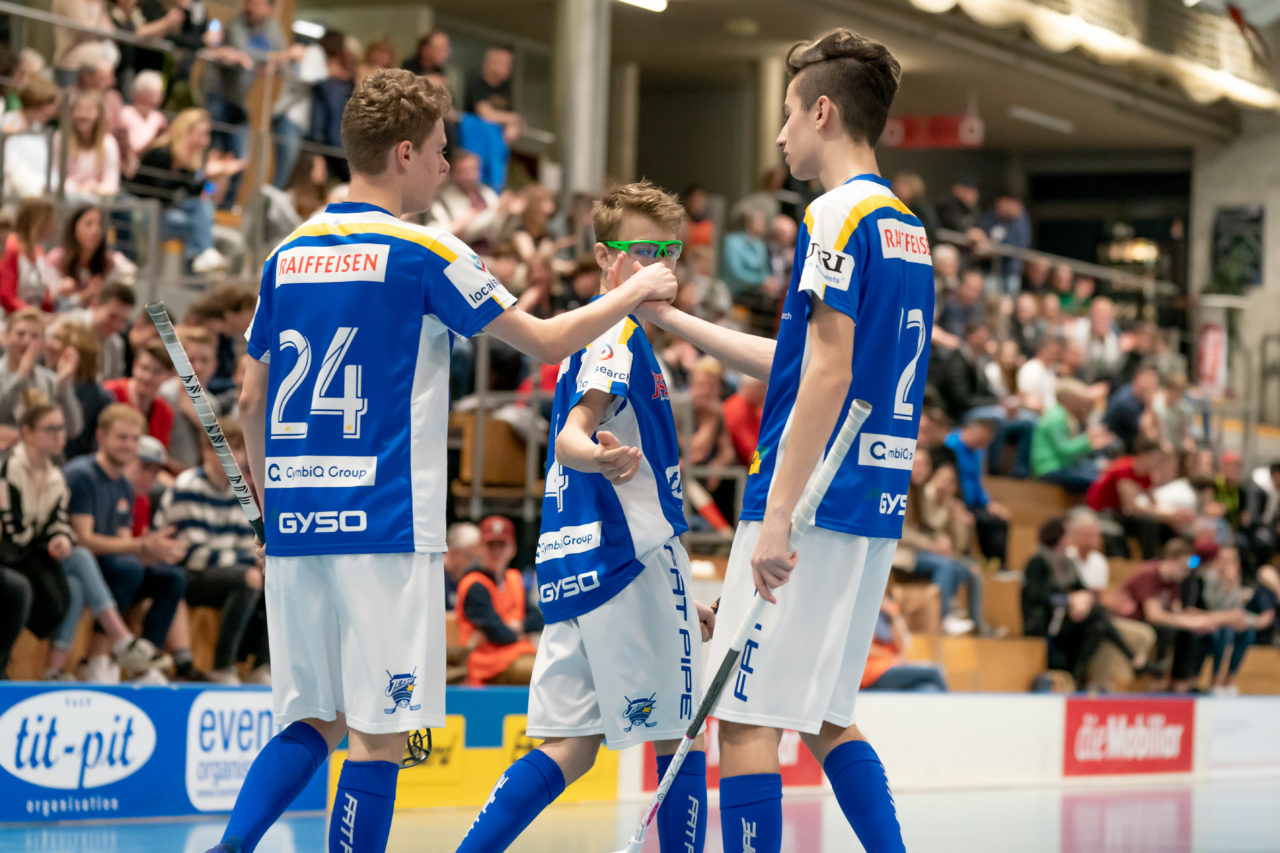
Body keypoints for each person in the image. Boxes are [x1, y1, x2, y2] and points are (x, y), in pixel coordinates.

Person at [209, 69, 677, 853]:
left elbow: (250, 401)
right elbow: (547, 341)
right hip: (385, 522)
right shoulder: (423, 248)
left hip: (294, 524)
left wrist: (267, 508)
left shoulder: (285, 255)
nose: (444, 164)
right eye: (437, 150)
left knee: (313, 718)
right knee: (378, 735)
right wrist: (638, 290)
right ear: (402, 153)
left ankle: (229, 847)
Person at [628, 31, 924, 853]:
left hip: (814, 498)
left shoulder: (833, 212)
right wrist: (675, 320)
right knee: (829, 716)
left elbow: (826, 375)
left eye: (789, 115)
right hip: (872, 500)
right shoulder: (906, 228)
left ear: (822, 111)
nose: (782, 135)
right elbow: (801, 360)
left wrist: (779, 514)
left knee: (746, 721)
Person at [458, 182, 714, 852]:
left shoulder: (588, 334)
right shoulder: (616, 333)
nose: (661, 265)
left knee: (572, 746)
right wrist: (599, 459)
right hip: (631, 560)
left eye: (670, 251)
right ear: (605, 256)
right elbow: (575, 431)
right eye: (643, 252)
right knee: (678, 734)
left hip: (576, 564)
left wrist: (679, 601)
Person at [1, 391, 162, 681]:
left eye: (62, 428)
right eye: (51, 429)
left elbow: (59, 522)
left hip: (37, 556)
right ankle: (121, 640)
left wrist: (59, 537)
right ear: (27, 432)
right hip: (14, 556)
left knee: (79, 580)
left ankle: (54, 670)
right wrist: (142, 545)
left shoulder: (55, 475)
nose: (59, 435)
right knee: (83, 557)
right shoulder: (11, 469)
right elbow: (18, 532)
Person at [65, 404, 187, 683]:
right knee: (128, 569)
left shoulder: (122, 484)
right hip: (81, 563)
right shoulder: (82, 474)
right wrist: (142, 547)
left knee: (171, 578)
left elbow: (123, 542)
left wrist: (155, 550)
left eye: (134, 439)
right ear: (101, 437)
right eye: (122, 437)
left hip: (110, 563)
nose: (129, 445)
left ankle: (144, 659)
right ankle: (94, 659)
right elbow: (84, 539)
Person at [156, 417, 269, 685]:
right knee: (250, 577)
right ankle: (222, 666)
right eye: (221, 448)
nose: (229, 457)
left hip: (226, 572)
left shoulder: (239, 492)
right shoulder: (187, 485)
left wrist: (246, 559)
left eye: (236, 450)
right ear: (206, 451)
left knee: (275, 579)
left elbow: (246, 542)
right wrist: (244, 560)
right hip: (186, 575)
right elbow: (192, 553)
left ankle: (262, 665)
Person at [1020, 518, 1148, 690]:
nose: (1070, 538)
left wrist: (1082, 602)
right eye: (1067, 535)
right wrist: (1068, 600)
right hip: (1044, 620)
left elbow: (1082, 590)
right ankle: (1129, 656)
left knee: (1098, 624)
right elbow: (1035, 595)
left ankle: (1077, 675)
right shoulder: (1038, 561)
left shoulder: (1068, 562)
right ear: (1058, 537)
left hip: (1066, 616)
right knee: (1098, 613)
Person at [126, 108, 243, 273]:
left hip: (170, 215)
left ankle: (204, 253)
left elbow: (206, 195)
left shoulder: (190, 166)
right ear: (185, 131)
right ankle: (204, 252)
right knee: (200, 227)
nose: (206, 141)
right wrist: (204, 176)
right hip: (145, 215)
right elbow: (158, 197)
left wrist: (216, 178)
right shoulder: (159, 154)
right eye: (202, 134)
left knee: (203, 207)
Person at [1106, 538, 1229, 692]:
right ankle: (1156, 679)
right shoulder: (1149, 573)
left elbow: (1177, 613)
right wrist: (1192, 622)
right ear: (1170, 560)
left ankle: (1181, 681)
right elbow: (1154, 615)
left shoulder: (1173, 580)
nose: (1185, 574)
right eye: (1183, 568)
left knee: (1189, 632)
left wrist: (1200, 622)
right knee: (1167, 630)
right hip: (1132, 620)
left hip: (1150, 621)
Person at [202, 0, 290, 209]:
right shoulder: (236, 23)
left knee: (240, 155)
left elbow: (282, 64)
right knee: (213, 151)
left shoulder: (272, 28)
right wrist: (275, 57)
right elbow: (245, 52)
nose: (250, 7)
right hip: (218, 96)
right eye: (249, 2)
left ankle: (228, 204)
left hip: (239, 101)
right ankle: (204, 200)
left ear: (269, 8)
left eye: (257, 4)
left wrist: (275, 61)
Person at [894, 452, 983, 635]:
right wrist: (932, 544)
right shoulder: (900, 488)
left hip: (919, 551)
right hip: (901, 553)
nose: (921, 468)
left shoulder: (920, 492)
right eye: (916, 464)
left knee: (964, 569)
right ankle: (944, 617)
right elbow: (901, 531)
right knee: (947, 566)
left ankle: (972, 622)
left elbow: (934, 530)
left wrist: (953, 523)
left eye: (925, 464)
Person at [454, 515, 542, 687]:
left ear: (513, 549)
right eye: (490, 545)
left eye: (501, 545)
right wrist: (520, 631)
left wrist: (509, 627)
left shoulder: (514, 578)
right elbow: (499, 633)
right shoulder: (474, 584)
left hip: (519, 654)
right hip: (486, 663)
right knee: (543, 672)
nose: (496, 552)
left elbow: (538, 620)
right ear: (479, 548)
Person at [1086, 438, 1189, 558]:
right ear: (1145, 455)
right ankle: (1149, 560)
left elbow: (1155, 503)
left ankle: (1169, 559)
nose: (1158, 463)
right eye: (1156, 458)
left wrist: (1175, 515)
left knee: (1167, 526)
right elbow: (1131, 507)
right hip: (1103, 513)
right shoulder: (1125, 469)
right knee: (1147, 524)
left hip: (1118, 514)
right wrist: (1166, 515)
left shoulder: (1146, 474)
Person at [0, 308, 84, 440]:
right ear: (6, 336)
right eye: (20, 334)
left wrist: (63, 386)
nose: (27, 341)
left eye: (34, 336)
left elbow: (73, 428)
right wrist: (20, 377)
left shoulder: (49, 379)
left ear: (43, 342)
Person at [946, 417, 1010, 569]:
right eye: (982, 440)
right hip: (957, 501)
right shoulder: (950, 446)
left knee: (1000, 520)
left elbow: (977, 481)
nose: (983, 445)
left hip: (975, 503)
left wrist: (989, 503)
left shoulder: (978, 452)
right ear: (971, 431)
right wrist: (957, 506)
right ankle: (977, 562)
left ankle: (997, 565)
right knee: (982, 521)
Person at [1031, 378, 1114, 493]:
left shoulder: (1062, 415)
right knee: (1099, 482)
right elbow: (1064, 449)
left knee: (1103, 475)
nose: (1082, 404)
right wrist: (1088, 439)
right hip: (1050, 469)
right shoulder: (1056, 417)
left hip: (1062, 467)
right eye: (1079, 400)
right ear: (1068, 399)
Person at [47, 205, 137, 310]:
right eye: (89, 224)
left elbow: (129, 277)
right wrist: (81, 295)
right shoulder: (57, 258)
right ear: (74, 228)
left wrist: (105, 291)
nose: (95, 231)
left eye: (99, 225)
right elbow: (49, 301)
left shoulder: (111, 261)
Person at [462, 46, 522, 189]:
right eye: (503, 63)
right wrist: (512, 119)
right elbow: (485, 113)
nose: (508, 68)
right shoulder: (477, 82)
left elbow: (513, 121)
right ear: (490, 63)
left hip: (497, 148)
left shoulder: (506, 88)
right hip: (474, 143)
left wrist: (513, 124)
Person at [104, 340, 175, 448]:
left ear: (169, 376)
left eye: (157, 372)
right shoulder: (110, 392)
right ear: (134, 366)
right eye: (144, 368)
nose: (148, 377)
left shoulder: (164, 412)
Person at [1, 79, 62, 199]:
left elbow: (45, 165)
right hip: (20, 193)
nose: (53, 110)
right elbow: (11, 166)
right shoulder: (9, 124)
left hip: (43, 189)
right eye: (51, 104)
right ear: (38, 101)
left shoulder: (38, 128)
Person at [55, 92, 121, 200]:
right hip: (67, 198)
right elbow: (54, 178)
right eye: (78, 109)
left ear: (99, 114)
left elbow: (112, 183)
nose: (82, 115)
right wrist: (79, 188)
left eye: (89, 110)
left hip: (97, 200)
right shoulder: (60, 138)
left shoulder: (108, 142)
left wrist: (96, 188)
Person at [0, 198, 57, 315]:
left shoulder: (39, 252)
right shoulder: (11, 249)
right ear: (38, 222)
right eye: (50, 220)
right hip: (13, 322)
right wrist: (35, 315)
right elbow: (6, 296)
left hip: (34, 320)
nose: (53, 225)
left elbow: (43, 297)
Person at [117, 69, 169, 172]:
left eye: (159, 96)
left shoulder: (160, 119)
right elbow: (130, 150)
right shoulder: (124, 114)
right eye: (153, 95)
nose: (158, 100)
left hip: (151, 168)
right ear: (139, 94)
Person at [443, 521, 482, 609]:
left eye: (478, 558)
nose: (475, 563)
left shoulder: (473, 579)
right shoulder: (435, 576)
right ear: (453, 553)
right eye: (470, 557)